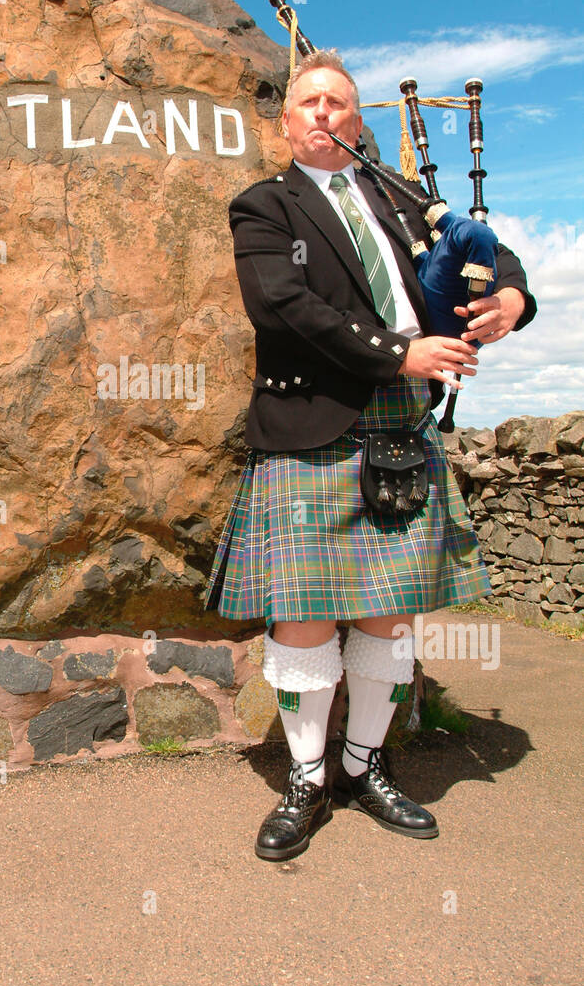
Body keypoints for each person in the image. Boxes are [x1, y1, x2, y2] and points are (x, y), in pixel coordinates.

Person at [202, 49, 537, 861]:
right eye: (308, 103)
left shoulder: (398, 199)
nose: (323, 114)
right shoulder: (264, 206)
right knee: (305, 616)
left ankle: (365, 763)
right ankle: (308, 777)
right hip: (311, 423)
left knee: (389, 611)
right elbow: (282, 306)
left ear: (358, 122)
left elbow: (480, 247)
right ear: (286, 124)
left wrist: (510, 299)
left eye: (338, 104)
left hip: (402, 428)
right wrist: (400, 352)